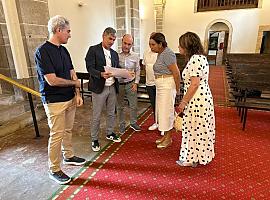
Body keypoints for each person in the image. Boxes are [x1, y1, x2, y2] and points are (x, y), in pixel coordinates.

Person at [35, 15, 86, 185]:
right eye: (68, 31)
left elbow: (72, 72)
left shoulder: (63, 50)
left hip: (70, 97)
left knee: (68, 130)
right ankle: (54, 168)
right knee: (57, 135)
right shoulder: (42, 51)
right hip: (54, 100)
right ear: (59, 30)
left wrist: (77, 93)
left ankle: (69, 156)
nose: (70, 35)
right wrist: (75, 83)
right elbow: (52, 80)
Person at [176, 32, 215, 167]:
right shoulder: (200, 58)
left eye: (181, 45)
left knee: (194, 127)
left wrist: (183, 102)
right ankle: (197, 157)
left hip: (197, 99)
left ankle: (192, 158)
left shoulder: (196, 59)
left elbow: (194, 83)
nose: (179, 47)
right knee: (198, 127)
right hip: (201, 97)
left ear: (187, 46)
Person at [85, 27, 121, 152]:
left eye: (114, 39)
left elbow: (117, 68)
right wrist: (100, 74)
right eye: (110, 38)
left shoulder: (114, 54)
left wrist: (126, 73)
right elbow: (89, 68)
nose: (111, 41)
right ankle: (94, 139)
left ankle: (109, 132)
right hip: (99, 87)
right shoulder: (93, 50)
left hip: (112, 86)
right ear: (103, 36)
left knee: (111, 112)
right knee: (97, 115)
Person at [149, 32, 181, 149]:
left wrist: (177, 90)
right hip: (162, 85)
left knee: (166, 112)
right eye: (150, 44)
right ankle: (165, 136)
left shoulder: (168, 53)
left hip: (167, 85)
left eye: (153, 44)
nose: (151, 47)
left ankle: (168, 139)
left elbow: (176, 73)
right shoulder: (161, 53)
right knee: (162, 112)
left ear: (160, 44)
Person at [118, 34, 141, 133]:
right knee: (120, 106)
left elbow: (138, 70)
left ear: (132, 45)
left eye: (129, 44)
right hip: (119, 84)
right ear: (121, 42)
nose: (126, 46)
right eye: (125, 43)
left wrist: (136, 83)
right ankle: (121, 124)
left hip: (131, 83)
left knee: (133, 105)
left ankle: (133, 123)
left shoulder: (135, 56)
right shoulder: (115, 54)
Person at [142, 32, 160, 132]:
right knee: (154, 104)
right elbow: (145, 66)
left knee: (161, 105)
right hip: (149, 83)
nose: (151, 45)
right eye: (150, 43)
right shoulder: (146, 52)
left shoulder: (161, 53)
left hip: (159, 83)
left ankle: (163, 125)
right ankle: (156, 122)